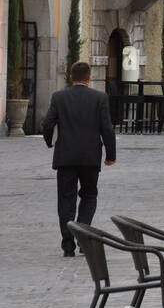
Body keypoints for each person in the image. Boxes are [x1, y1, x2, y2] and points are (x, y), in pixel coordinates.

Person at [42, 61, 116, 257]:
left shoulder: (59, 97)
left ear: (71, 77)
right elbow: (106, 129)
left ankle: (68, 244)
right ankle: (84, 237)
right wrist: (110, 155)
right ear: (89, 77)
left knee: (66, 199)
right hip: (90, 156)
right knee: (89, 195)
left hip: (65, 156)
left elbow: (47, 123)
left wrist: (50, 142)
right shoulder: (100, 97)